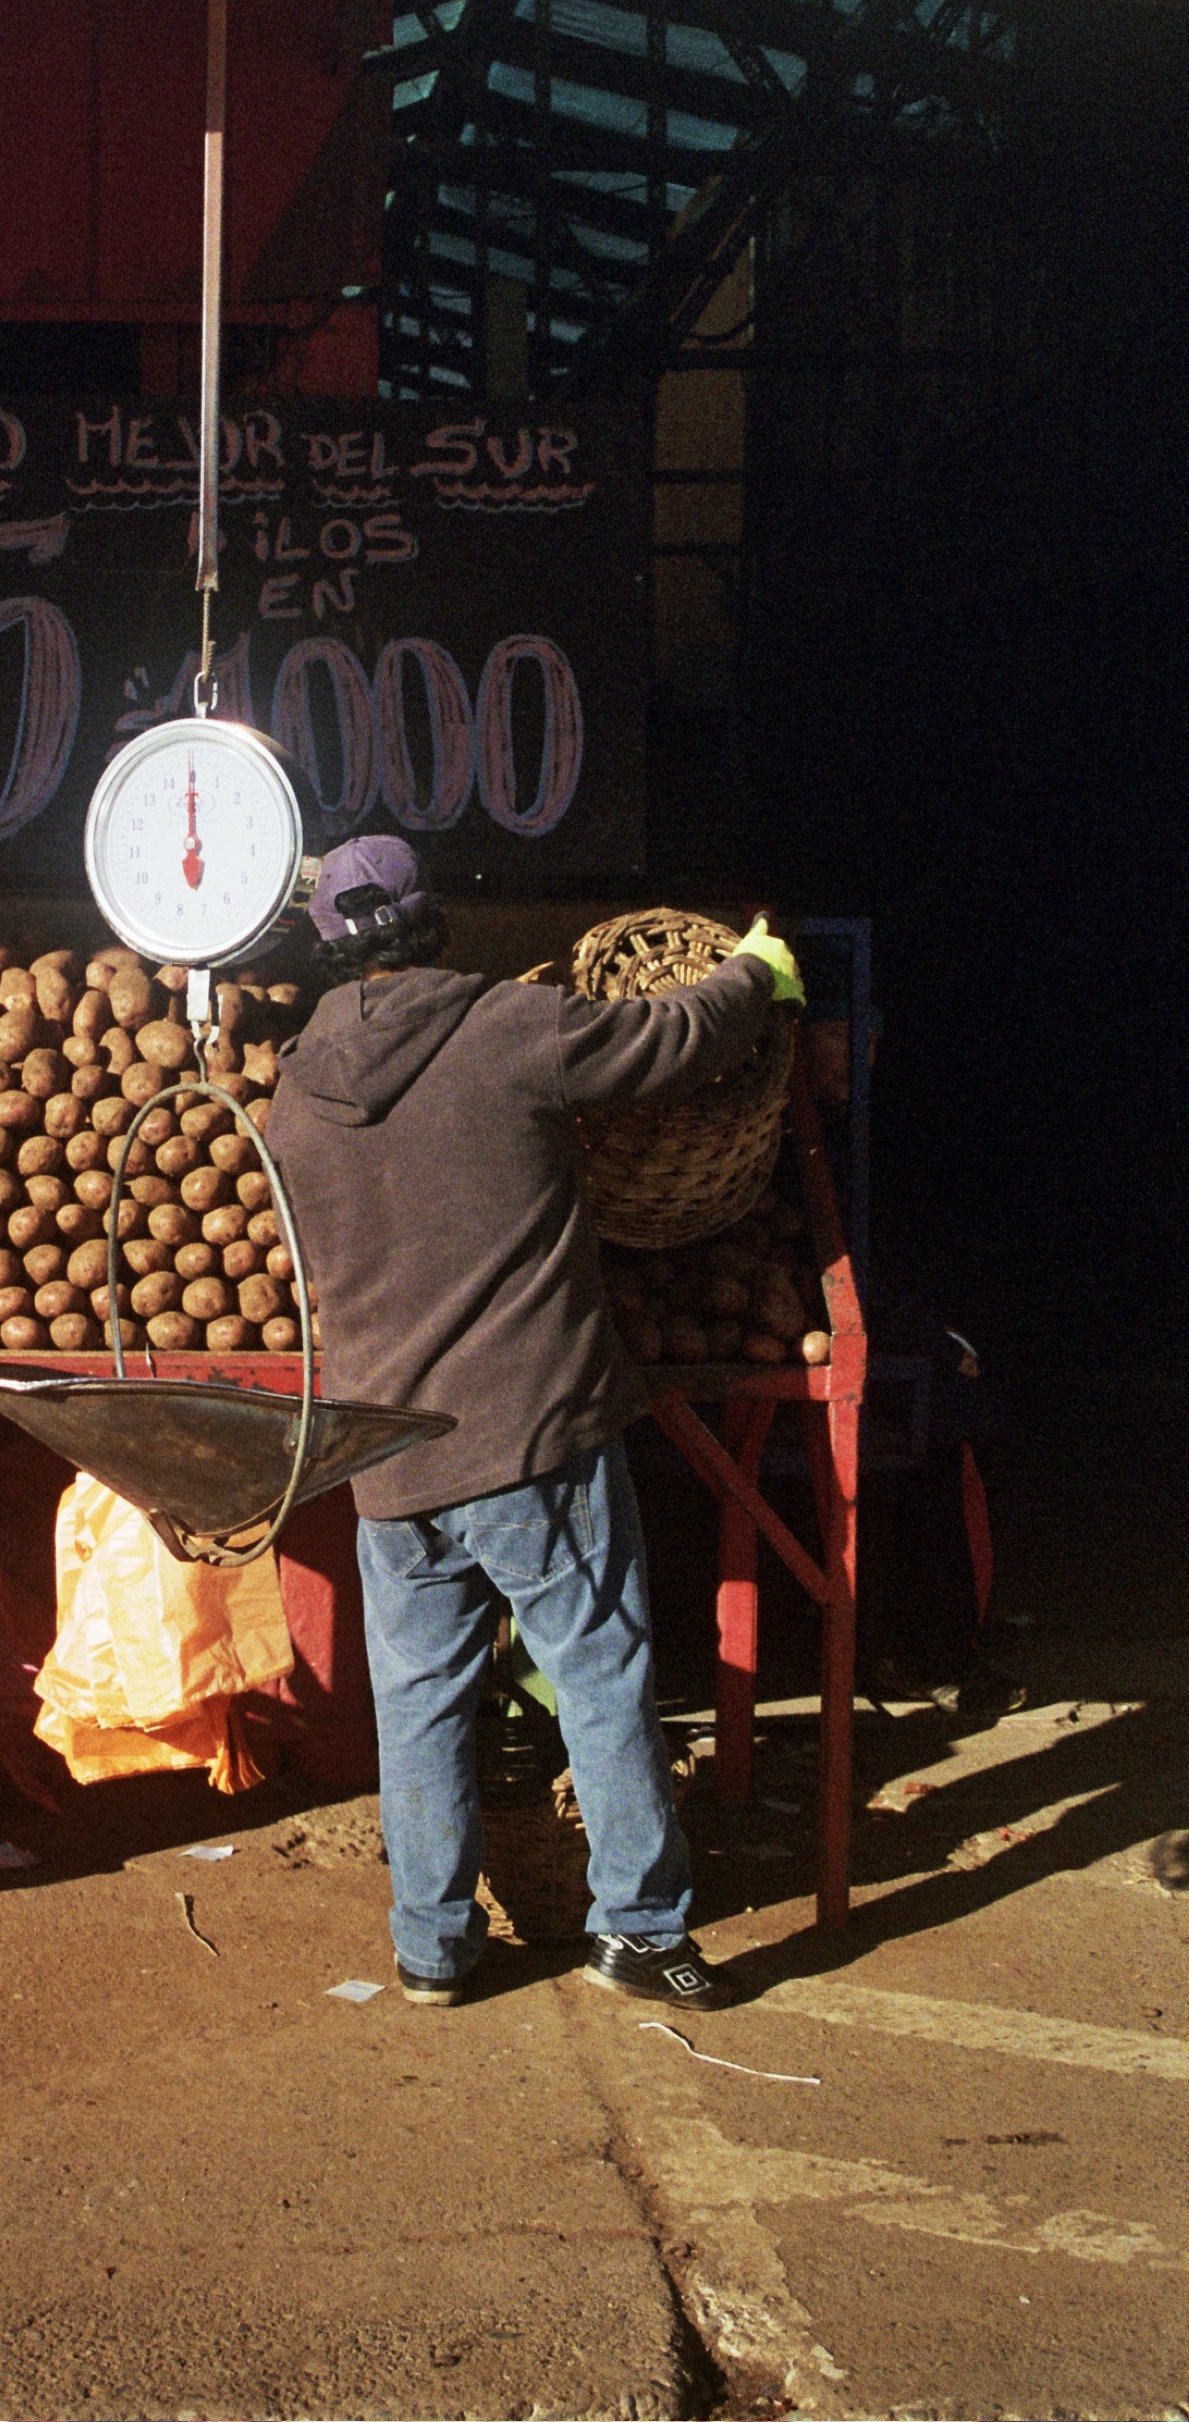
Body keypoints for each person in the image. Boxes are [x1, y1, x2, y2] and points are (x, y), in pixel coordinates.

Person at [266, 836, 804, 2010]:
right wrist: (755, 972)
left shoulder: (293, 1091)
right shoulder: (508, 1028)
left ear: (330, 953)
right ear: (432, 923)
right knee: (602, 1672)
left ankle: (429, 1949)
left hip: (385, 1454)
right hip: (528, 1436)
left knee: (417, 1703)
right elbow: (671, 1043)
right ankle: (641, 1928)